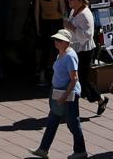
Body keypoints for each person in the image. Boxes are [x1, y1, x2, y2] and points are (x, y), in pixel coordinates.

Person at [30, 29, 86, 159]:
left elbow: (74, 79)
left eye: (59, 40)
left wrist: (64, 96)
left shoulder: (70, 56)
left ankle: (80, 151)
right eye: (55, 40)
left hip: (68, 95)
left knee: (73, 124)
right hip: (58, 92)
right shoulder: (60, 53)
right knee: (52, 122)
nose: (56, 42)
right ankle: (43, 149)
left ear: (67, 42)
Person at [63, 0, 108, 115]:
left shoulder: (85, 14)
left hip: (84, 50)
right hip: (75, 48)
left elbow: (87, 35)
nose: (69, 2)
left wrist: (70, 27)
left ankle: (100, 99)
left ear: (79, 1)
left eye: (72, 0)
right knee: (74, 76)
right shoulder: (74, 11)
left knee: (83, 78)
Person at [34, 0, 66, 86]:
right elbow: (63, 11)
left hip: (44, 23)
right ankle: (55, 74)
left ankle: (42, 75)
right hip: (57, 23)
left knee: (45, 49)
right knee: (57, 50)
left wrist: (38, 26)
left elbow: (36, 10)